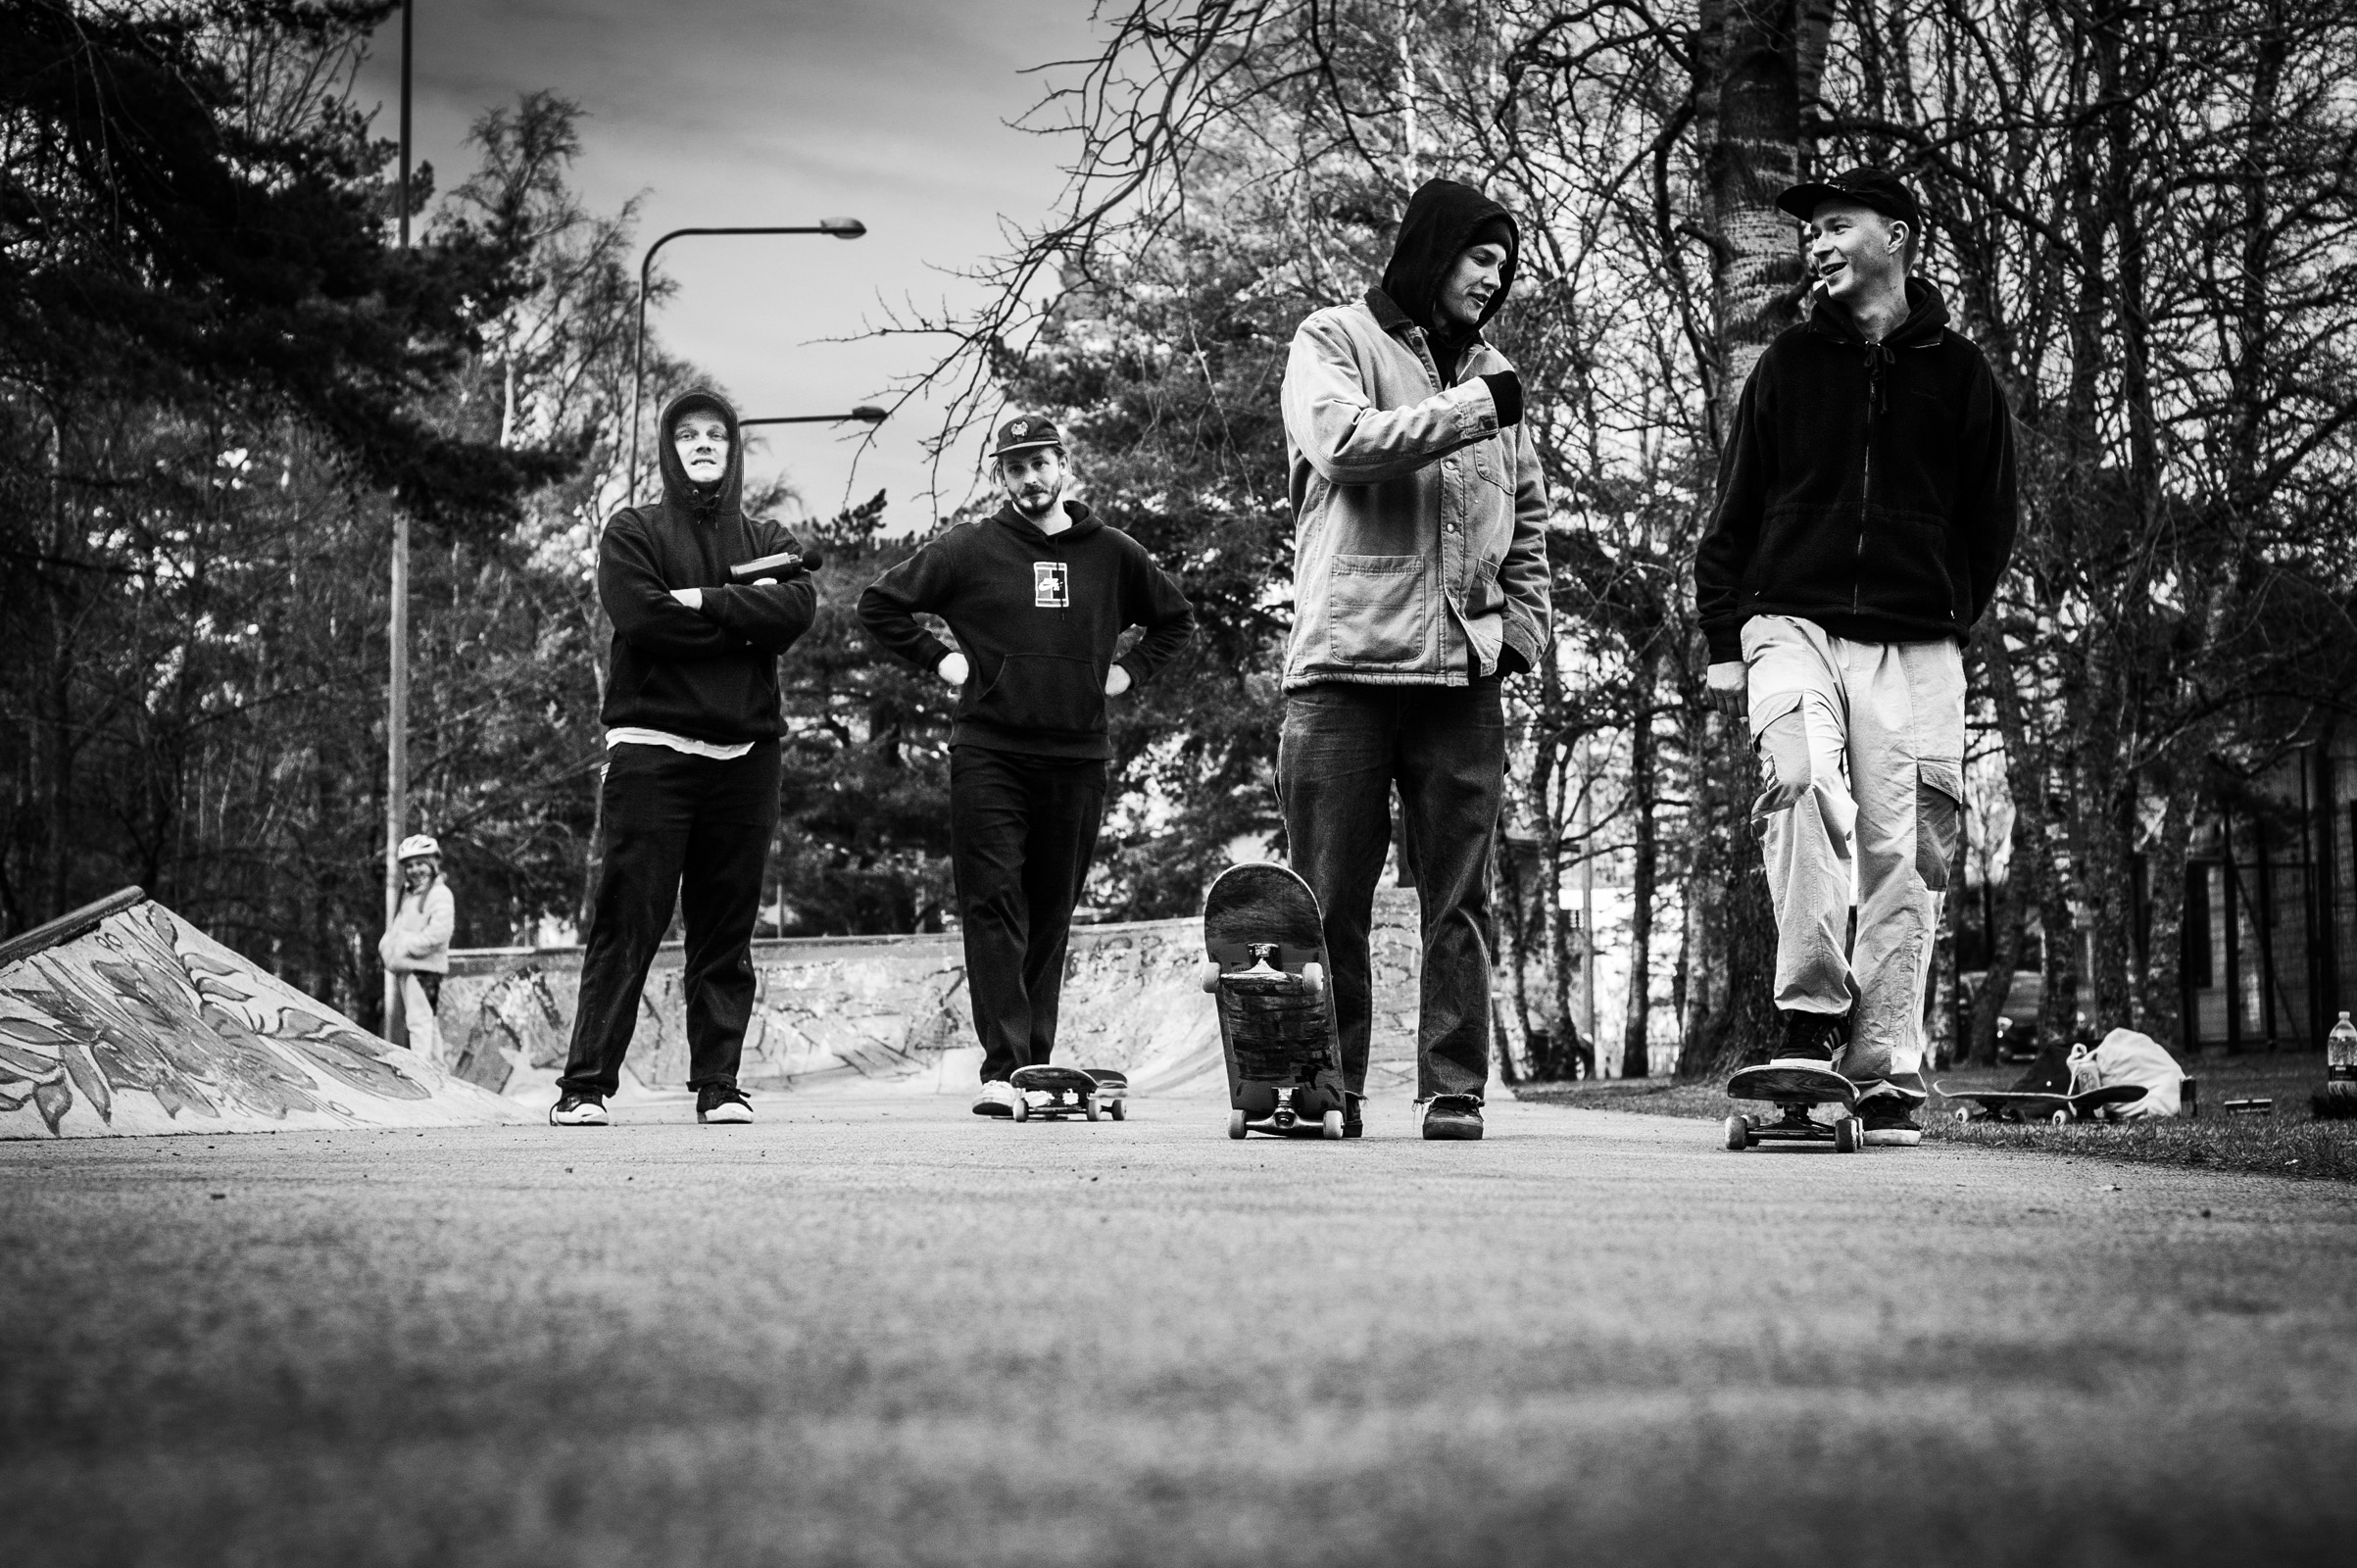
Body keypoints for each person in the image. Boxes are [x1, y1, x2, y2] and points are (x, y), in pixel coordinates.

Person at [1694, 167, 2018, 1147]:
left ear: (1897, 235)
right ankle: (1806, 1020)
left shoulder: (1960, 374)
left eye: (1835, 226)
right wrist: (1723, 640)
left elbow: (1990, 522)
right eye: (1810, 234)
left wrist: (1943, 609)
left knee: (1906, 852)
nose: (1818, 245)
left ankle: (1882, 1067)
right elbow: (1734, 508)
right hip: (1788, 622)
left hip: (1913, 641)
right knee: (1798, 783)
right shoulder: (1787, 364)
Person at [1277, 177, 1552, 1141]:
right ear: (1432, 251)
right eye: (1480, 257)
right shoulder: (1332, 339)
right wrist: (1474, 407)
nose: (1493, 279)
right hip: (1345, 666)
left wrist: (1522, 634)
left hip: (1463, 677)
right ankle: (1322, 1086)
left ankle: (1453, 1088)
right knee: (1328, 897)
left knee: (1461, 899)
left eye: (1504, 266)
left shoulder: (1495, 373)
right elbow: (1344, 446)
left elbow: (1527, 521)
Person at [858, 416, 1195, 1116]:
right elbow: (879, 604)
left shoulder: (1114, 553)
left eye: (1041, 462)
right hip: (989, 753)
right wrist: (941, 660)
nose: (1030, 477)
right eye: (1015, 467)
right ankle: (1004, 1067)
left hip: (1077, 756)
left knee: (1050, 911)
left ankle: (1036, 1066)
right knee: (992, 904)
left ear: (1064, 465)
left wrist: (1127, 673)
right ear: (1000, 478)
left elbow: (1175, 620)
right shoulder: (968, 549)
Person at [550, 390, 817, 1128]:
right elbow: (642, 617)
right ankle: (584, 1086)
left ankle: (719, 1085)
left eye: (715, 435)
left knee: (725, 933)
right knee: (628, 921)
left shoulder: (766, 538)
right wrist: (743, 620)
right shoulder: (632, 530)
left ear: (732, 450)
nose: (702, 445)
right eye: (688, 435)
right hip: (652, 755)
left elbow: (795, 610)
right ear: (669, 449)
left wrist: (698, 600)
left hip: (746, 758)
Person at [378, 834, 454, 1062]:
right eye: (410, 865)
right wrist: (387, 946)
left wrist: (405, 947)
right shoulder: (411, 895)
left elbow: (439, 934)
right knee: (428, 1022)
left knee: (418, 1021)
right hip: (408, 966)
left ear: (433, 864)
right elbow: (398, 927)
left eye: (420, 863)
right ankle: (438, 1071)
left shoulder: (439, 894)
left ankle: (421, 1070)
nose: (414, 870)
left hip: (423, 969)